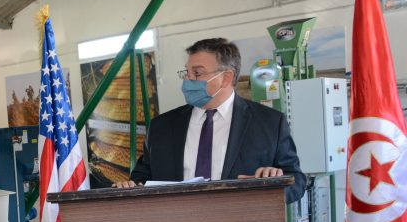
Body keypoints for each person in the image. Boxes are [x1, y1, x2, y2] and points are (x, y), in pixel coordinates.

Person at [115, 37, 305, 204]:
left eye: (197, 73)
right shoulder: (161, 126)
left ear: (226, 77)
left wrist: (271, 186)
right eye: (187, 73)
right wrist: (131, 187)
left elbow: (297, 181)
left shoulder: (269, 123)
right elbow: (142, 177)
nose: (188, 80)